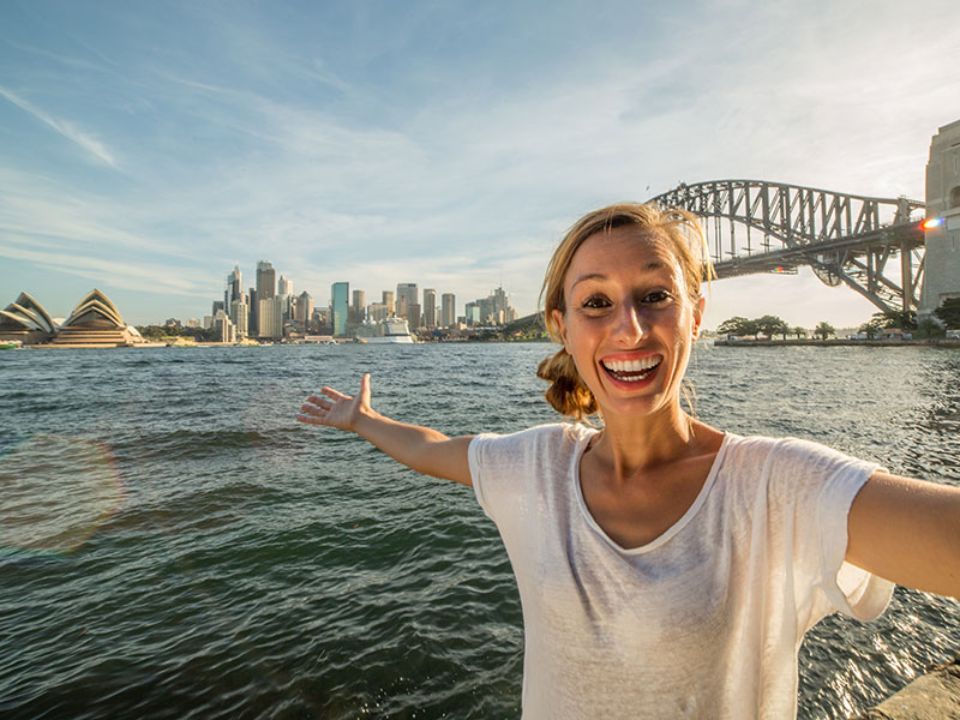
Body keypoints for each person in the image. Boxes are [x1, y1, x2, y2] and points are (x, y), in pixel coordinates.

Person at [296, 203, 960, 719]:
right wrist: (361, 419)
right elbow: (430, 447)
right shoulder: (535, 465)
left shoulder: (773, 486)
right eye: (596, 302)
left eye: (655, 296)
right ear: (562, 326)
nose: (629, 328)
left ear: (695, 315)